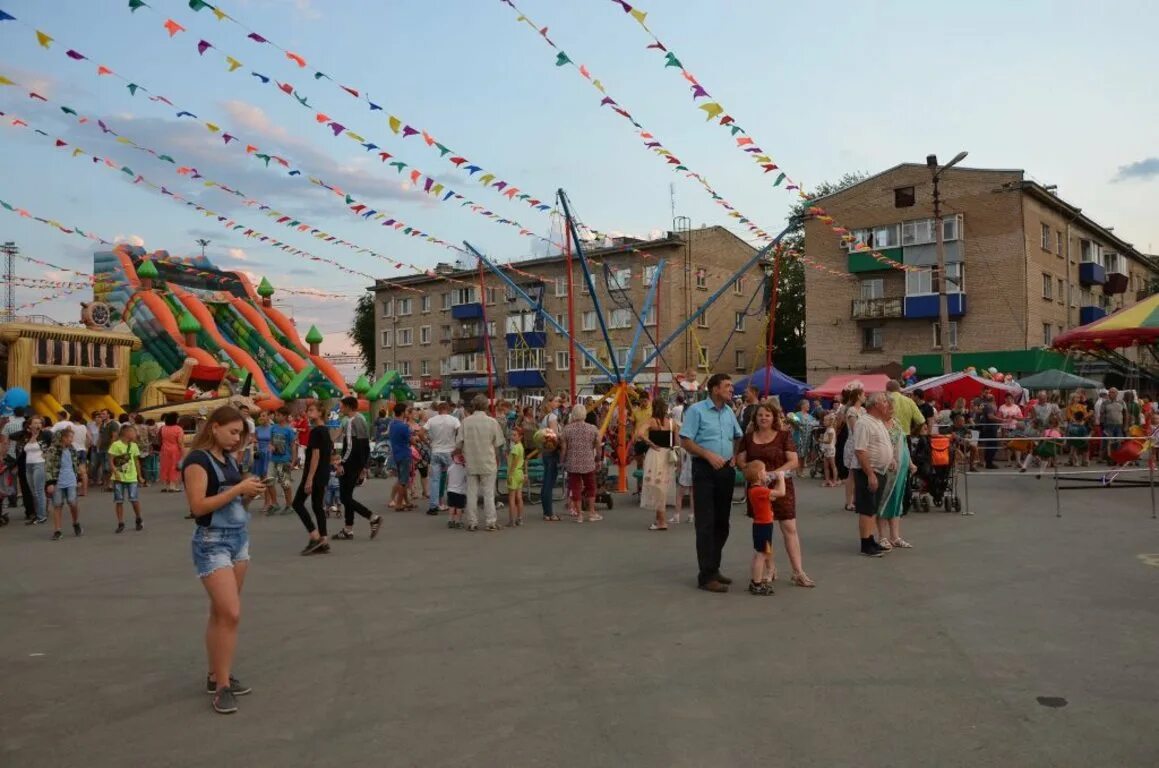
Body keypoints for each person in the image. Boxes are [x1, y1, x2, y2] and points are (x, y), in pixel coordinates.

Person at [181, 405, 267, 714]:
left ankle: (216, 673)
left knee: (221, 613)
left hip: (237, 540)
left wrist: (249, 494)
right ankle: (222, 687)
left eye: (240, 435)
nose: (236, 439)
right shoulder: (197, 461)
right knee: (230, 612)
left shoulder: (228, 459)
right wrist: (239, 489)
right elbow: (198, 506)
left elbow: (233, 499)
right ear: (214, 427)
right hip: (211, 541)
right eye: (232, 432)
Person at [736, 402, 814, 588]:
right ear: (755, 418)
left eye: (768, 415)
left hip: (781, 486)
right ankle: (770, 568)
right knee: (765, 529)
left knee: (789, 528)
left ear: (774, 418)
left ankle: (798, 571)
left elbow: (794, 461)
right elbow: (740, 460)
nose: (763, 418)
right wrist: (753, 473)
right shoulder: (748, 438)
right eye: (760, 415)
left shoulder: (783, 436)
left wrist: (773, 474)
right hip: (758, 490)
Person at [679, 373, 744, 593]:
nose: (731, 390)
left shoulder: (729, 412)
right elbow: (686, 440)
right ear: (715, 389)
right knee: (706, 523)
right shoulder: (697, 411)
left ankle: (714, 567)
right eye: (727, 386)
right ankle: (706, 576)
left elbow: (738, 435)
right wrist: (707, 455)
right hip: (705, 470)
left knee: (722, 523)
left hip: (725, 470)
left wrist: (734, 455)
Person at [852, 392, 895, 557]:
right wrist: (870, 474)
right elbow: (860, 450)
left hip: (880, 470)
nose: (887, 404)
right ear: (876, 404)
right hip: (869, 471)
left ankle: (870, 539)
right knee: (867, 509)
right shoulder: (864, 423)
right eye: (884, 401)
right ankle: (866, 544)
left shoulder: (878, 421)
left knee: (873, 508)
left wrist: (889, 459)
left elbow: (881, 444)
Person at [458, 394, 507, 532]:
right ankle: (490, 522)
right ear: (486, 406)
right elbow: (498, 443)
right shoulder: (492, 422)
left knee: (471, 493)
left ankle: (472, 522)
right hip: (488, 461)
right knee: (488, 493)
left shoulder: (466, 422)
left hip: (471, 461)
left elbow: (459, 442)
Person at [290, 400, 332, 555]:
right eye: (308, 410)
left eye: (312, 410)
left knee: (297, 503)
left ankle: (314, 536)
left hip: (314, 474)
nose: (309, 412)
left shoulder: (315, 432)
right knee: (317, 506)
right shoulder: (325, 430)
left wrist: (309, 479)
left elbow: (316, 455)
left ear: (320, 412)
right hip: (323, 473)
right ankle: (324, 539)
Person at [876, 405, 916, 551]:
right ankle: (882, 537)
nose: (892, 411)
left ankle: (895, 536)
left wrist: (910, 463)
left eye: (893, 409)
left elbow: (904, 443)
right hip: (886, 467)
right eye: (890, 408)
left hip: (901, 467)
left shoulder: (896, 422)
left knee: (897, 500)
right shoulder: (878, 424)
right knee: (884, 500)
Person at [744, 460, 787, 595]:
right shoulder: (759, 490)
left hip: (762, 525)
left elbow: (772, 497)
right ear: (758, 475)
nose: (766, 473)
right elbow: (781, 493)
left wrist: (771, 482)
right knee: (761, 555)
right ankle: (757, 583)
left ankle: (757, 579)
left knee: (763, 552)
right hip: (763, 526)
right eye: (764, 471)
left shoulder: (755, 489)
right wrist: (781, 478)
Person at [560, 403, 601, 524]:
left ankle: (579, 515)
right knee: (591, 487)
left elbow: (563, 448)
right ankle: (592, 512)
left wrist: (562, 461)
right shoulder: (592, 428)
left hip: (572, 463)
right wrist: (598, 459)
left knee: (575, 488)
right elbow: (598, 446)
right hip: (588, 462)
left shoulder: (567, 429)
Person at [641, 398, 677, 531]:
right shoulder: (672, 423)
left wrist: (650, 443)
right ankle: (659, 518)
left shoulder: (651, 421)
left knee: (656, 485)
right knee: (663, 485)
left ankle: (662, 521)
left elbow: (639, 433)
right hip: (668, 455)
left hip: (655, 454)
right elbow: (677, 441)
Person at [44, 426, 86, 539]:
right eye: (70, 437)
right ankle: (57, 530)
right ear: (63, 438)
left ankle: (76, 522)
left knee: (73, 502)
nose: (71, 440)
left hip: (71, 480)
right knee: (57, 505)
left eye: (72, 437)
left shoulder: (72, 449)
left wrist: (79, 479)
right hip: (57, 481)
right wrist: (50, 483)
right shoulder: (53, 450)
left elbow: (76, 465)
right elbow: (48, 467)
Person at [424, 400, 460, 516]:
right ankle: (453, 504)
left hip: (435, 451)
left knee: (435, 480)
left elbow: (420, 432)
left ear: (438, 410)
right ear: (448, 409)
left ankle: (433, 506)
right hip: (450, 451)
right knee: (453, 479)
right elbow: (460, 432)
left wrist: (428, 442)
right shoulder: (454, 420)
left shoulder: (431, 420)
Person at [108, 423, 144, 533]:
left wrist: (140, 476)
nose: (135, 434)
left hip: (131, 477)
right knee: (119, 500)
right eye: (133, 432)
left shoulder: (134, 446)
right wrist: (115, 471)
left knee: (134, 499)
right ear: (127, 433)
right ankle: (120, 522)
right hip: (119, 477)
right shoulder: (116, 445)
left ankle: (138, 517)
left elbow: (137, 462)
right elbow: (111, 460)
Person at [18, 416, 50, 526]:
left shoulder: (45, 435)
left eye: (40, 423)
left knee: (39, 491)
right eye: (35, 423)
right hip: (28, 465)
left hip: (39, 464)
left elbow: (54, 444)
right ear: (30, 425)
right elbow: (14, 437)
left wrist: (47, 454)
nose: (38, 425)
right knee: (33, 491)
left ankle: (42, 516)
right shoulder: (26, 436)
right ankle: (38, 514)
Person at [840, 384, 867, 511]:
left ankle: (858, 499)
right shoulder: (851, 411)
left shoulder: (863, 410)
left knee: (860, 473)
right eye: (863, 394)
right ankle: (849, 501)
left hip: (863, 443)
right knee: (852, 473)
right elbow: (854, 429)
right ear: (858, 396)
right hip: (854, 443)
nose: (865, 396)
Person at [265, 409, 297, 514]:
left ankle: (289, 505)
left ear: (284, 416)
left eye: (278, 415)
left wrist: (293, 460)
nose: (276, 417)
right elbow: (270, 442)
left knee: (285, 484)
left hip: (284, 460)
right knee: (269, 481)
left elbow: (293, 446)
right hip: (273, 459)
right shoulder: (273, 428)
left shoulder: (289, 430)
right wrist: (270, 446)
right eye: (276, 415)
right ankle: (274, 504)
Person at [387, 402, 414, 513]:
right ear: (403, 413)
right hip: (404, 454)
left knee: (403, 479)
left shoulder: (392, 424)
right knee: (403, 481)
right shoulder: (404, 426)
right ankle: (399, 504)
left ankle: (407, 502)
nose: (408, 413)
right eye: (407, 411)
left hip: (396, 454)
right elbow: (411, 440)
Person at [631, 391, 653, 495]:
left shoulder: (653, 410)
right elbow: (632, 424)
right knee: (639, 464)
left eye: (645, 401)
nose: (643, 403)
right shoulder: (636, 411)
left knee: (649, 464)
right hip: (638, 441)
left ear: (648, 400)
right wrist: (632, 436)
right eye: (641, 401)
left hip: (649, 440)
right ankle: (639, 487)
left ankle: (649, 486)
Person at [159, 411, 186, 493]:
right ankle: (172, 486)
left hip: (164, 449)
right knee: (174, 467)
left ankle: (166, 485)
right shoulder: (178, 429)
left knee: (165, 466)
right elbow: (180, 442)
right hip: (175, 450)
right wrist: (183, 452)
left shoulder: (163, 428)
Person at [251, 411, 273, 511]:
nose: (261, 417)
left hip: (269, 454)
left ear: (269, 417)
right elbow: (254, 439)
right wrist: (255, 443)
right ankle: (268, 502)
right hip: (260, 454)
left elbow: (276, 441)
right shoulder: (257, 428)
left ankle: (270, 502)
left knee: (267, 478)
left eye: (264, 415)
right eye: (261, 416)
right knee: (262, 479)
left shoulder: (273, 428)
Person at [506, 425, 525, 527]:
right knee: (519, 497)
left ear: (520, 436)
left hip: (514, 473)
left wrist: (510, 474)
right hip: (520, 472)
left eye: (515, 435)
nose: (513, 437)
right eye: (512, 435)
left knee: (512, 498)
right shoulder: (521, 446)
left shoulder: (515, 448)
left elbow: (514, 462)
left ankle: (512, 520)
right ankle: (520, 518)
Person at [446, 448, 467, 529]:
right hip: (460, 491)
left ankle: (450, 520)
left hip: (450, 490)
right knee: (459, 507)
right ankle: (458, 521)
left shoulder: (450, 468)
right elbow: (466, 479)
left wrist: (447, 487)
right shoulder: (464, 469)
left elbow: (447, 479)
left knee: (451, 506)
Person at [1101, 388, 1126, 458]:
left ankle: (1117, 457)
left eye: (1112, 392)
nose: (1110, 394)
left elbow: (1125, 414)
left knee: (1118, 442)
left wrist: (1125, 425)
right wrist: (1102, 424)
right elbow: (1102, 414)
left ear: (1116, 393)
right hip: (1108, 425)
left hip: (1119, 425)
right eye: (1109, 392)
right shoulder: (1105, 403)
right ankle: (1110, 457)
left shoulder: (1121, 402)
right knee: (1109, 442)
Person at [820, 413, 838, 487]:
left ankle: (834, 480)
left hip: (830, 450)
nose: (824, 422)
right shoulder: (828, 429)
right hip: (827, 449)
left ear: (830, 421)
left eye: (825, 421)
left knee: (832, 465)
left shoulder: (831, 430)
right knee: (826, 466)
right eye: (824, 420)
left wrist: (821, 440)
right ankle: (827, 480)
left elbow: (829, 441)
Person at [323, 453, 342, 518]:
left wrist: (337, 469)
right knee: (328, 500)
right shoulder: (329, 467)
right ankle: (327, 510)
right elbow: (326, 476)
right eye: (334, 460)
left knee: (338, 498)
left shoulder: (341, 467)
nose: (335, 461)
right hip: (329, 487)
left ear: (340, 460)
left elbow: (339, 475)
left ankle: (339, 511)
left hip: (338, 487)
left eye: (337, 460)